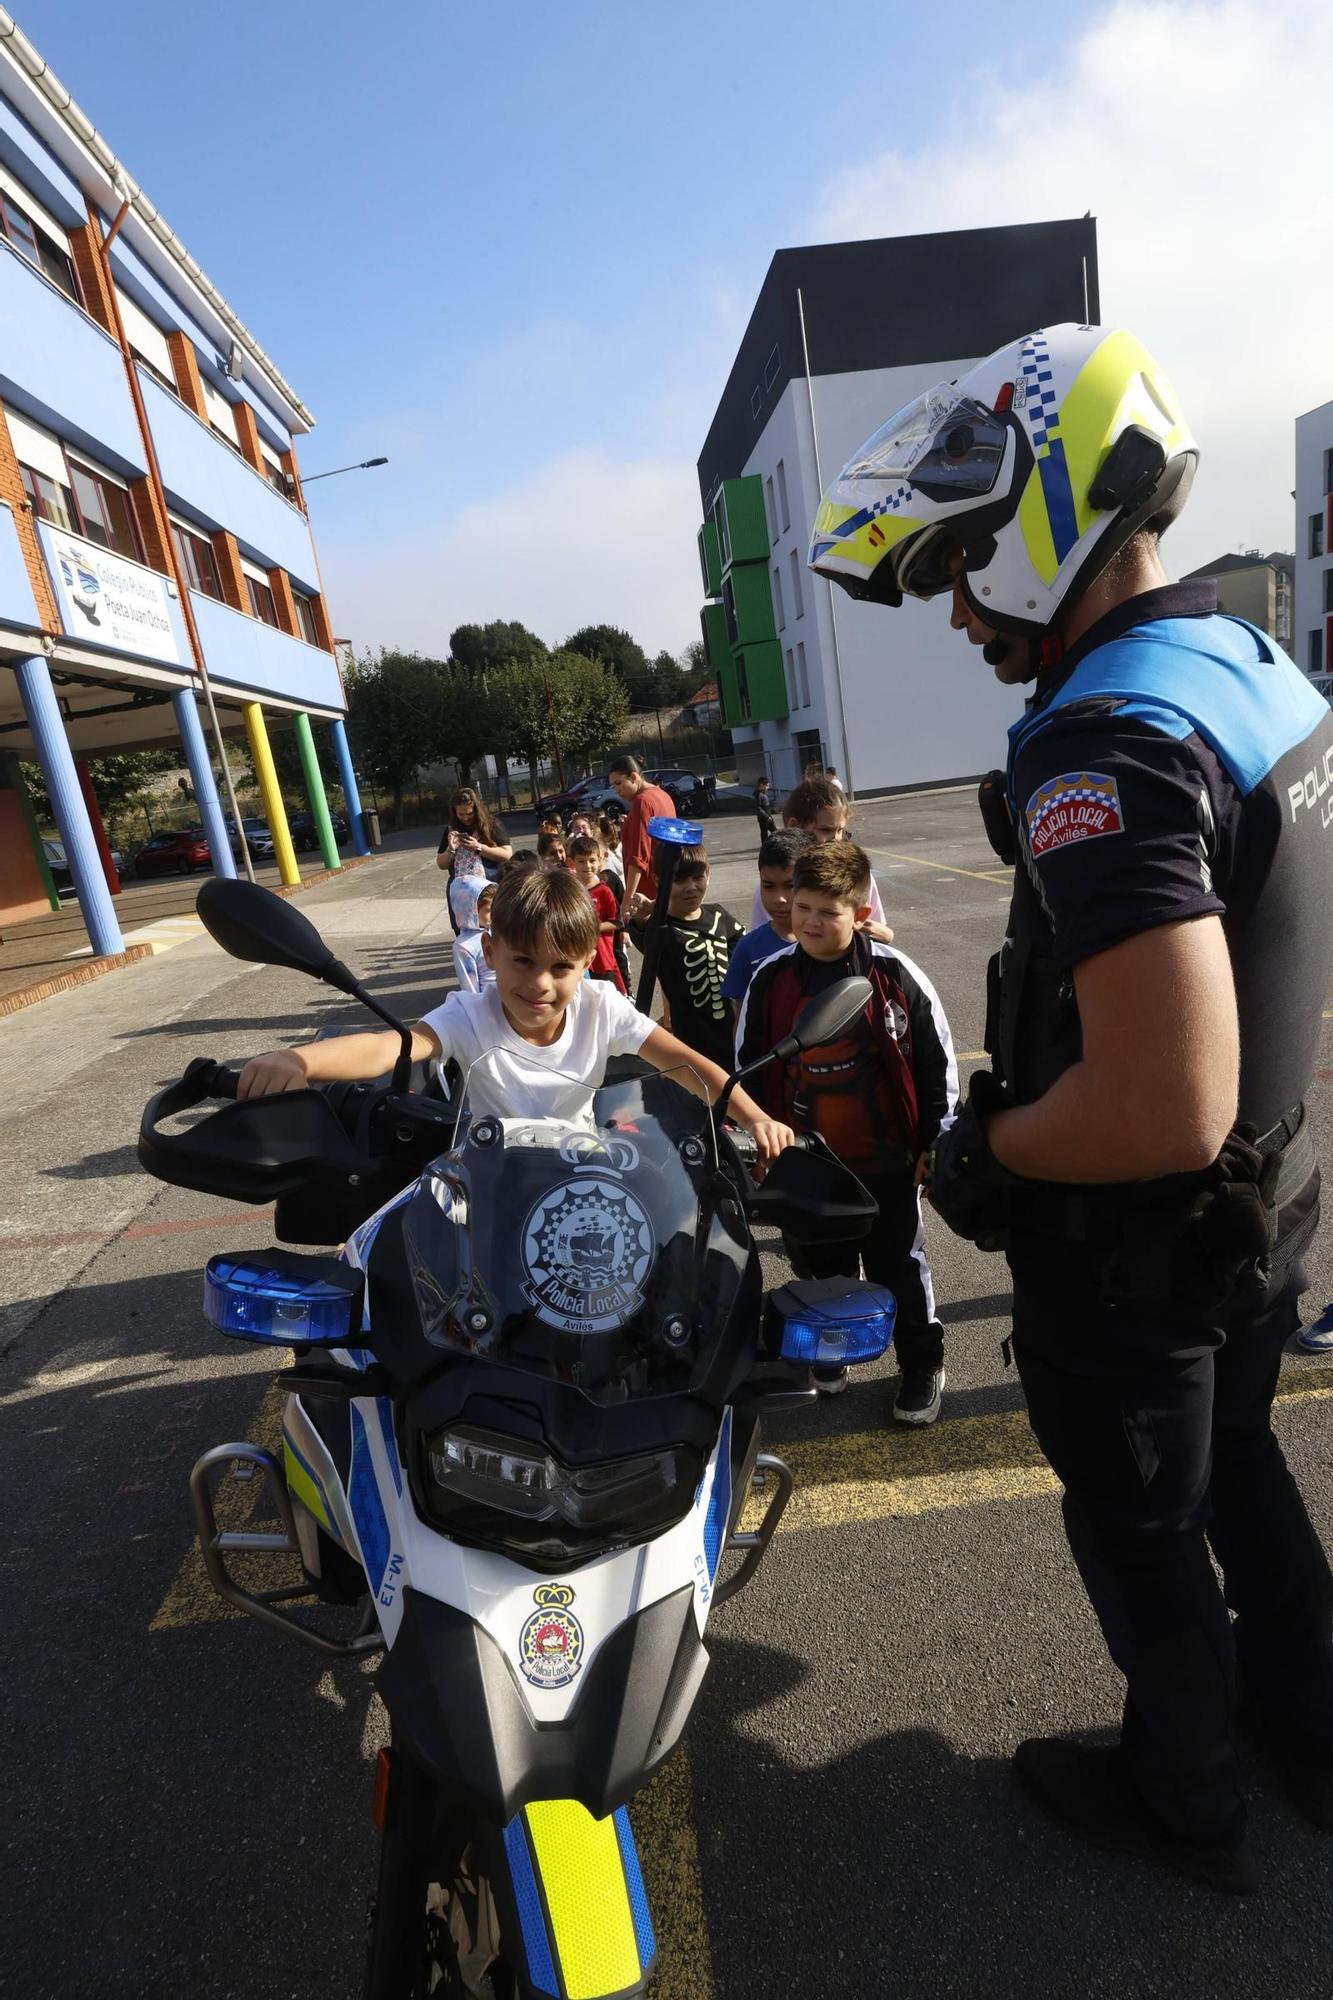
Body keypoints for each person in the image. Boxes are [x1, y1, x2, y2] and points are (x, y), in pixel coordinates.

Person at [808, 319, 1333, 1891]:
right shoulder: (1248, 664)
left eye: (967, 562)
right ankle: (1311, 1732)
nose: (959, 609)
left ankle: (1187, 1794)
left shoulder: (1105, 738)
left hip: (1144, 1254)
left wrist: (986, 1150)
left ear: (1050, 517)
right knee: (1242, 1469)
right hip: (1265, 1213)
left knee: (1144, 1529)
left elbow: (1160, 1103)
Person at [236, 869, 795, 1168]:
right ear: (491, 951)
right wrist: (298, 1059)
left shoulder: (601, 1005)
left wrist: (755, 1119)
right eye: (523, 961)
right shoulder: (469, 1014)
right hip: (491, 1180)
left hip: (583, 1174)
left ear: (586, 964)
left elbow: (687, 1064)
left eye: (561, 967)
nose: (540, 984)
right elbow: (393, 1045)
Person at [736, 841, 955, 1413]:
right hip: (810, 1165)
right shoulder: (770, 979)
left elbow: (936, 1063)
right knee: (822, 1268)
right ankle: (831, 1352)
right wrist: (761, 1144)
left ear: (859, 914)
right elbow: (748, 1066)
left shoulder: (896, 974)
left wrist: (934, 1142)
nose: (809, 921)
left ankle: (921, 1363)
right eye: (802, 907)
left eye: (827, 912)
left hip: (887, 1162)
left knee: (898, 1267)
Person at [624, 845, 745, 1071]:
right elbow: (642, 933)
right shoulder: (661, 930)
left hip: (737, 1037)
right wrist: (649, 910)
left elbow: (744, 947)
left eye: (698, 877)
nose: (691, 888)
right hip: (695, 1048)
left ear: (708, 873)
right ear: (659, 880)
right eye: (679, 880)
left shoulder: (719, 915)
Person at [749, 778, 892, 935]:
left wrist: (883, 934)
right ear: (795, 827)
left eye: (840, 831)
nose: (836, 839)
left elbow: (879, 929)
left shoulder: (857, 877)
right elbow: (760, 940)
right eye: (825, 830)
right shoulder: (774, 887)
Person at [723, 829, 814, 1020]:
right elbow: (742, 1020)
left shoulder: (829, 942)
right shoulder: (748, 948)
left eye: (790, 886)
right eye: (768, 886)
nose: (779, 898)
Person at [608, 756, 676, 908]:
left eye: (618, 783)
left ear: (633, 777)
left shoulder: (642, 802)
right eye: (613, 786)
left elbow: (638, 857)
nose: (616, 790)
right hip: (667, 887)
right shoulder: (662, 795)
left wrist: (627, 900)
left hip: (647, 894)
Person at [567, 833, 626, 991]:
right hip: (576, 956)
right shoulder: (570, 890)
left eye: (592, 860)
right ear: (572, 862)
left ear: (600, 860)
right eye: (581, 861)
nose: (587, 866)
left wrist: (592, 928)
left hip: (601, 958)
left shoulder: (604, 891)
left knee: (606, 995)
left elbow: (617, 922)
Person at [436, 788, 513, 907]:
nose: (465, 818)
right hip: (461, 894)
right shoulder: (451, 829)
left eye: (469, 813)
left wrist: (478, 848)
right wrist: (451, 848)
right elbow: (441, 864)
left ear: (477, 809)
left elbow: (507, 854)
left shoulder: (490, 824)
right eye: (461, 814)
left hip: (488, 890)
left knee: (489, 918)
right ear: (454, 812)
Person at [449, 876, 496, 994]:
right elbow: (469, 987)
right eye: (489, 910)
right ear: (471, 911)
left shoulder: (497, 931)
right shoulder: (464, 947)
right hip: (488, 1000)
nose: (495, 914)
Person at [754, 774, 778, 842]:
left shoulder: (763, 793)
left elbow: (766, 806)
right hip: (763, 818)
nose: (768, 787)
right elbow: (758, 808)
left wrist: (772, 811)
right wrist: (767, 817)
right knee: (765, 833)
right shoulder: (758, 794)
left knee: (775, 832)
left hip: (767, 817)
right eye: (767, 785)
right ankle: (765, 846)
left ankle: (773, 845)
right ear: (761, 785)